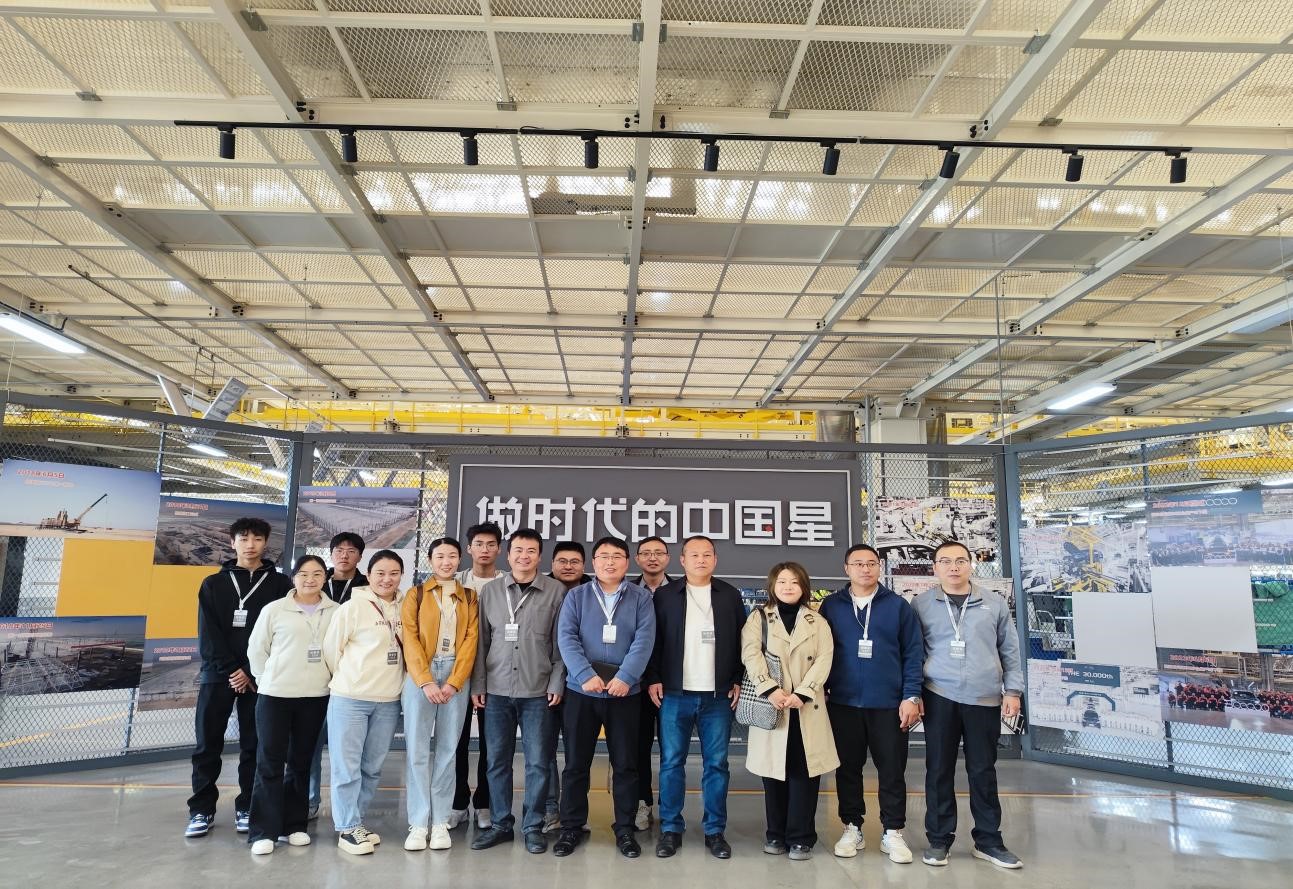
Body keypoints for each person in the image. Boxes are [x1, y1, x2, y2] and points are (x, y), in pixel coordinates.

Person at [910, 540, 1024, 870]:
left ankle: (988, 841)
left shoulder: (994, 603)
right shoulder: (921, 604)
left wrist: (1013, 691)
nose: (953, 567)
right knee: (938, 769)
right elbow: (914, 653)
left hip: (983, 698)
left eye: (960, 560)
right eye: (945, 561)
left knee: (983, 770)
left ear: (971, 564)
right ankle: (939, 839)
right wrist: (915, 694)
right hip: (938, 695)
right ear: (935, 567)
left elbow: (1010, 650)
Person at [185, 517, 292, 839]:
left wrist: (250, 670)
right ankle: (201, 809)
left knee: (255, 744)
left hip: (260, 677)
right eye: (243, 539)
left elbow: (282, 634)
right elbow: (208, 634)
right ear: (232, 542)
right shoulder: (213, 584)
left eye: (257, 539)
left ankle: (247, 805)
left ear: (266, 543)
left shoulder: (281, 585)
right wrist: (233, 670)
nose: (250, 545)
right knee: (207, 744)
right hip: (218, 676)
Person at [818, 544, 923, 863]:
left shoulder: (898, 606)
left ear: (879, 567)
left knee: (892, 770)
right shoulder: (831, 606)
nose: (865, 569)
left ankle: (893, 831)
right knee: (848, 769)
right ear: (846, 568)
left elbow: (913, 652)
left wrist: (911, 696)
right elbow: (820, 651)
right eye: (858, 563)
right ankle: (852, 827)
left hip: (889, 704)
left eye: (871, 563)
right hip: (843, 702)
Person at [553, 537, 656, 859]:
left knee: (625, 764)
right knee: (576, 764)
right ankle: (571, 827)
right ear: (593, 563)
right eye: (603, 556)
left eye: (617, 556)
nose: (610, 562)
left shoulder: (641, 598)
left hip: (625, 693)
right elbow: (567, 637)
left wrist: (626, 677)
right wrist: (585, 675)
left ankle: (624, 828)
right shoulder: (577, 596)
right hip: (581, 691)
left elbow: (644, 639)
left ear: (627, 562)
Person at [645, 535, 743, 859]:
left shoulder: (729, 595)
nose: (701, 560)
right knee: (672, 763)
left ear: (715, 560)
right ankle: (671, 829)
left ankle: (715, 831)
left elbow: (742, 642)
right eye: (694, 555)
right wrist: (654, 677)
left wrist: (737, 679)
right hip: (675, 694)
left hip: (718, 696)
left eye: (707, 555)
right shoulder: (665, 596)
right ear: (682, 560)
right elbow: (653, 640)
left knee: (717, 764)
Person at [470, 529, 567, 854]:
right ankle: (501, 825)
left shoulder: (556, 591)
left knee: (538, 763)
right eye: (518, 551)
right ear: (508, 555)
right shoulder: (491, 591)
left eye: (531, 551)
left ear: (539, 556)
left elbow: (560, 644)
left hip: (538, 691)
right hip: (496, 691)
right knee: (496, 761)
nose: (524, 556)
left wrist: (556, 682)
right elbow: (481, 641)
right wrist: (478, 684)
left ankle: (533, 826)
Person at [741, 562, 837, 861]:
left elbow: (825, 658)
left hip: (806, 706)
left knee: (804, 772)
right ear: (772, 586)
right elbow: (751, 654)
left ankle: (801, 837)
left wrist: (804, 692)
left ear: (803, 587)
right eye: (782, 581)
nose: (788, 587)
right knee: (773, 773)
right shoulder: (759, 617)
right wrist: (769, 688)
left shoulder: (817, 621)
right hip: (773, 702)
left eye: (794, 582)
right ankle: (775, 834)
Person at [245, 555, 339, 854]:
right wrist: (267, 680)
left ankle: (294, 825)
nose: (310, 579)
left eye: (317, 574)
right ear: (293, 577)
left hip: (315, 696)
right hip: (275, 696)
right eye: (303, 574)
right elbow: (257, 650)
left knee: (301, 762)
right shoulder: (274, 610)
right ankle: (263, 831)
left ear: (325, 578)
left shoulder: (336, 611)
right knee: (269, 761)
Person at [322, 549, 407, 855]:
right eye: (380, 573)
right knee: (347, 768)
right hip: (351, 699)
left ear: (401, 576)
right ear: (368, 575)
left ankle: (355, 821)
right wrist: (351, 679)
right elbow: (332, 650)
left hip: (388, 701)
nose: (387, 579)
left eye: (394, 573)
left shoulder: (406, 607)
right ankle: (346, 827)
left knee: (372, 767)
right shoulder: (352, 608)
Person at [401, 537, 478, 852]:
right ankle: (419, 823)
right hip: (421, 673)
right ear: (430, 560)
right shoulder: (416, 594)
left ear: (460, 560)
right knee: (417, 751)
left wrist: (455, 682)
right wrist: (425, 681)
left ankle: (440, 822)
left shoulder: (469, 596)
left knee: (448, 750)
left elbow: (471, 640)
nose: (447, 562)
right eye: (440, 556)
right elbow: (409, 637)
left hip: (456, 674)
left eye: (452, 556)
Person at [309, 531, 368, 820]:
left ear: (360, 556)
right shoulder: (317, 583)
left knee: (351, 752)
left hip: (353, 679)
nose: (344, 555)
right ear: (331, 554)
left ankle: (352, 809)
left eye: (351, 551)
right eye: (339, 550)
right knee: (310, 742)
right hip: (314, 674)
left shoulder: (368, 587)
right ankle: (309, 800)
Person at [452, 521, 502, 830]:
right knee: (455, 741)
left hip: (496, 672)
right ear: (469, 548)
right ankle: (457, 802)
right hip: (458, 671)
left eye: (491, 544)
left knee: (490, 742)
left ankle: (484, 803)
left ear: (499, 549)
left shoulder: (508, 582)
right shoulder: (454, 581)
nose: (485, 550)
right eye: (479, 544)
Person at [542, 540, 588, 832]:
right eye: (562, 561)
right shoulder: (541, 590)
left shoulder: (595, 592)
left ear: (584, 565)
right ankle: (550, 810)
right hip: (544, 684)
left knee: (577, 754)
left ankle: (573, 813)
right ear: (552, 564)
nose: (568, 566)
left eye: (574, 561)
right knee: (544, 751)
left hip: (583, 686)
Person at [630, 535, 672, 830]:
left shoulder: (682, 591)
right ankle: (642, 803)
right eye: (646, 553)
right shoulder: (626, 591)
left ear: (668, 558)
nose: (652, 558)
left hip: (673, 684)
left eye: (658, 553)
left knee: (672, 752)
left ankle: (670, 809)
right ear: (637, 559)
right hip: (636, 684)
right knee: (638, 748)